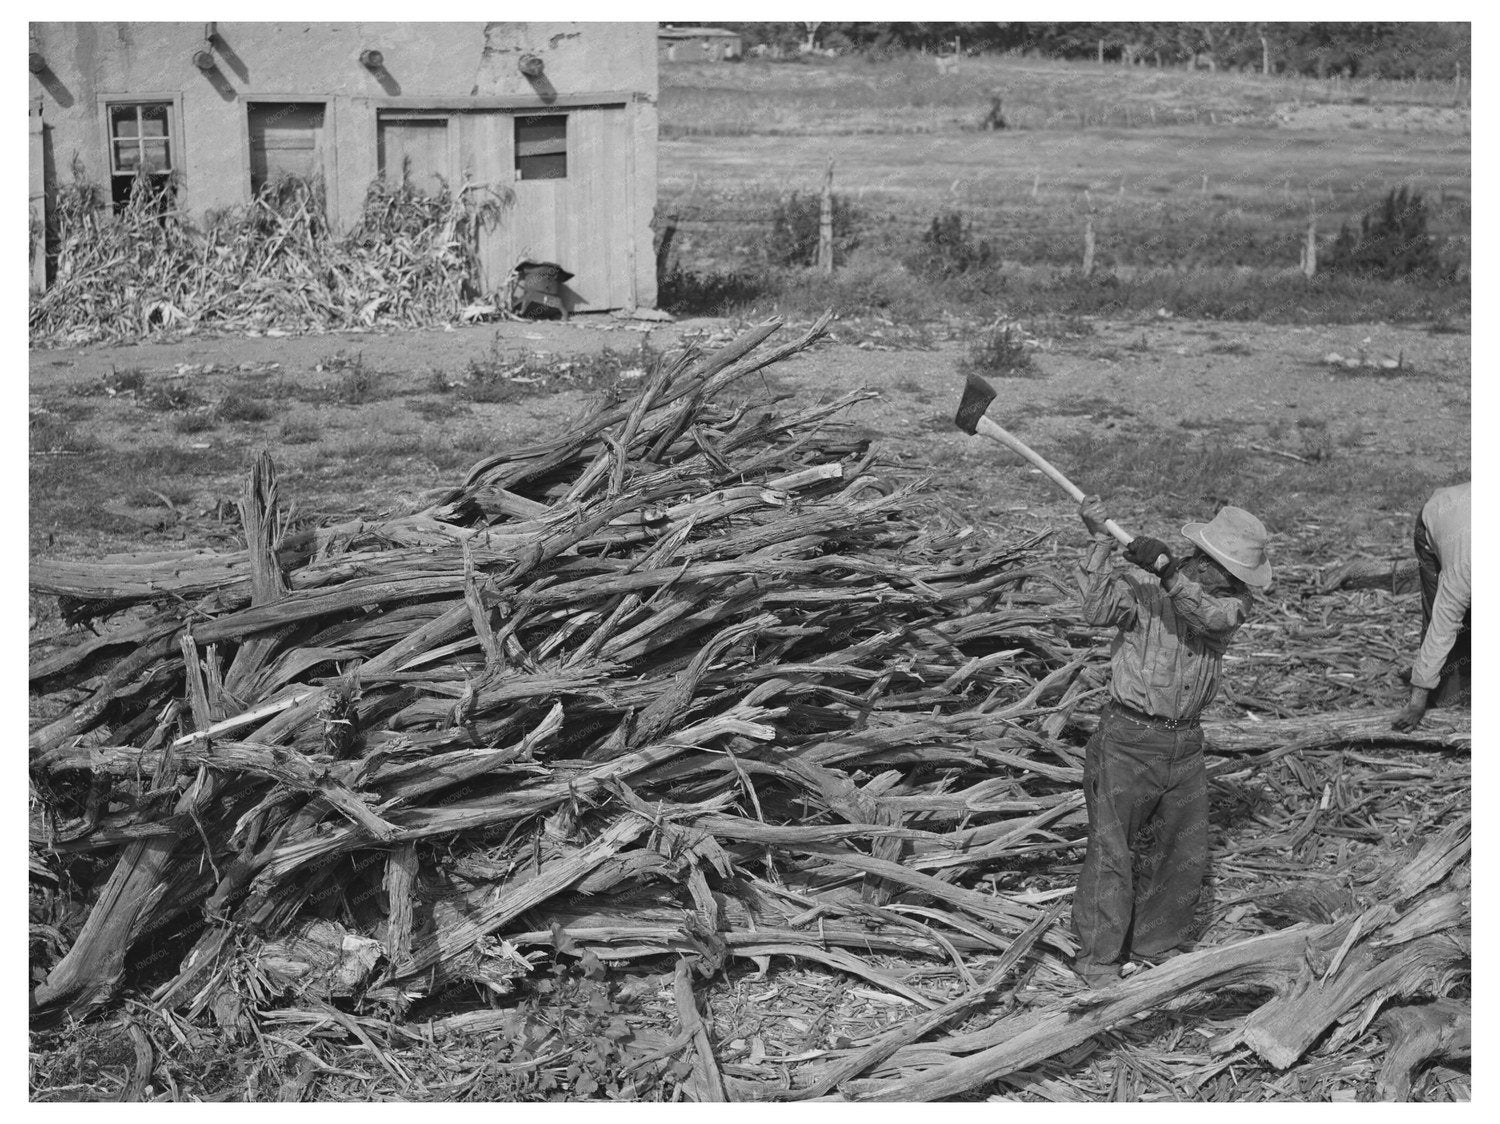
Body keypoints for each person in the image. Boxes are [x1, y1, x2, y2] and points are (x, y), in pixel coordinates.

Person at [1070, 498, 1271, 988]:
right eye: (1230, 573)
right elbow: (1094, 609)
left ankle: (1154, 945)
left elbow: (1212, 620)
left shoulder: (1231, 603)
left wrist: (1167, 573)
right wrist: (1099, 536)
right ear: (1205, 562)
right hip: (1127, 738)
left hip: (1185, 743)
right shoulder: (1144, 590)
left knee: (1182, 852)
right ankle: (1098, 960)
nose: (1236, 584)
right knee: (1111, 850)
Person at [1393, 482, 1470, 731]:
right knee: (1450, 622)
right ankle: (1445, 701)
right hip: (1436, 519)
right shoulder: (1464, 572)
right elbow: (1441, 629)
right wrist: (1417, 702)